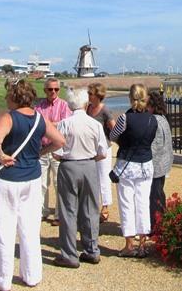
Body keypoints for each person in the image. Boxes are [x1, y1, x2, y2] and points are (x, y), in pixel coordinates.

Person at [0, 79, 64, 291]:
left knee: (3, 229)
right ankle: (31, 275)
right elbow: (60, 141)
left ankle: (3, 279)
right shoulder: (40, 118)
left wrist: (1, 155)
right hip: (32, 177)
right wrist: (41, 153)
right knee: (30, 228)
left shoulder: (9, 117)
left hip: (9, 178)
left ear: (14, 97)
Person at [53, 88, 109, 268]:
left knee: (68, 210)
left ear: (70, 105)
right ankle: (92, 249)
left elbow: (56, 152)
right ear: (86, 104)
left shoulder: (64, 124)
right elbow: (103, 152)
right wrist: (91, 158)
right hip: (89, 165)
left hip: (68, 165)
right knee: (90, 209)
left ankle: (69, 254)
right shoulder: (95, 124)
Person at [108, 84, 157, 257]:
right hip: (146, 165)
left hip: (127, 166)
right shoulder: (152, 119)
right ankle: (142, 244)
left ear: (131, 98)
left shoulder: (125, 118)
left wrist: (125, 142)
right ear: (146, 98)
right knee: (143, 203)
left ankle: (129, 245)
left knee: (126, 204)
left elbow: (112, 136)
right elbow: (150, 139)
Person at [34, 77, 71, 225]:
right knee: (41, 183)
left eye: (56, 89)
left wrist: (47, 125)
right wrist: (53, 125)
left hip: (58, 149)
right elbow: (36, 125)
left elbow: (66, 125)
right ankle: (41, 211)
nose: (53, 92)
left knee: (59, 183)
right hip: (42, 149)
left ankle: (59, 214)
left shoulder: (64, 105)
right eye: (50, 89)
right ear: (45, 90)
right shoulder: (39, 107)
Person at [86, 82, 114, 223]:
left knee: (104, 177)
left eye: (90, 93)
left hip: (104, 148)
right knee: (92, 178)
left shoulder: (105, 110)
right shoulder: (88, 108)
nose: (88, 96)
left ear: (98, 95)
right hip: (90, 148)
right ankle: (93, 206)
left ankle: (105, 206)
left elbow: (114, 128)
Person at [147, 90, 174, 228]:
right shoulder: (163, 118)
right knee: (158, 194)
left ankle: (156, 225)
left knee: (155, 196)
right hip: (164, 163)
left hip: (157, 165)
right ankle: (160, 222)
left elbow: (155, 145)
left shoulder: (155, 121)